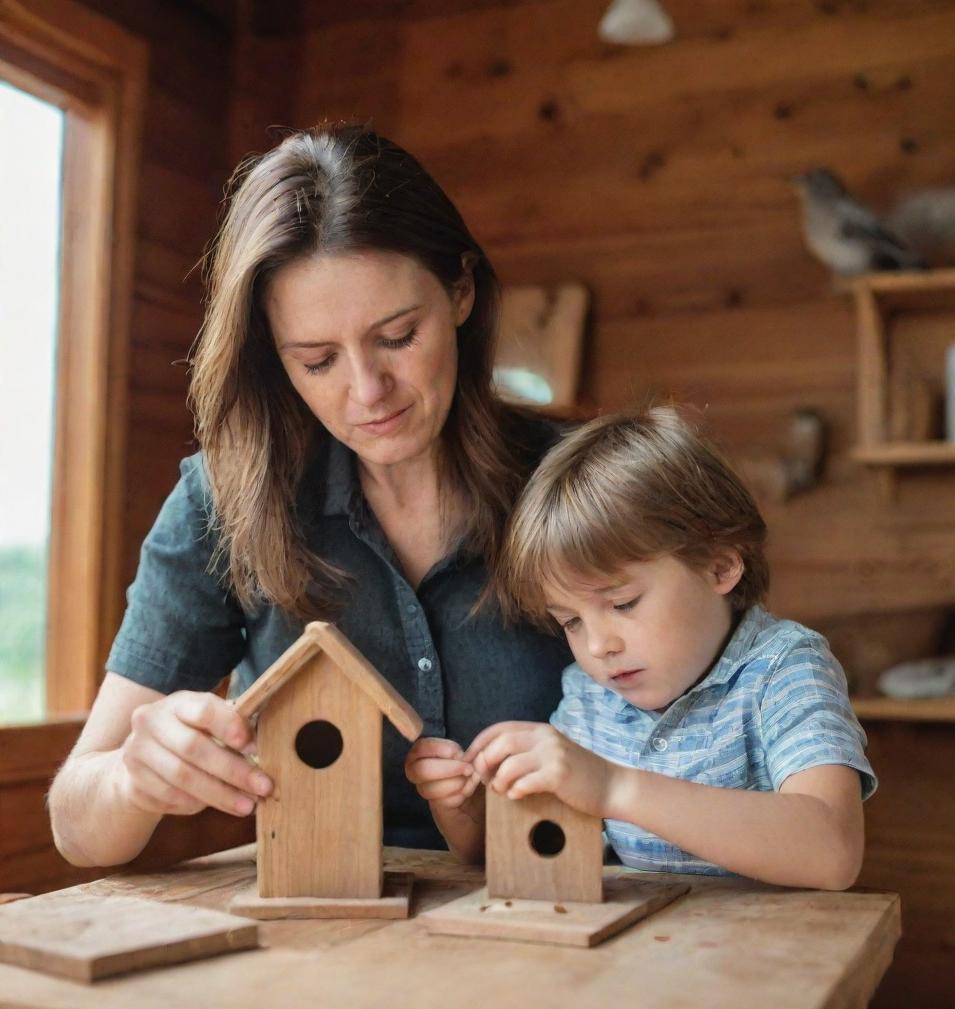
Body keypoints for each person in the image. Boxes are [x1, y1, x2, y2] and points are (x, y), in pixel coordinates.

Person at [47, 123, 570, 867]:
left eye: (397, 336)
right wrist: (136, 775)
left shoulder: (577, 482)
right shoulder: (224, 501)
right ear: (273, 356)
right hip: (317, 928)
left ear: (460, 290)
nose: (367, 391)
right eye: (317, 359)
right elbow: (78, 829)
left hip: (559, 911)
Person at [410, 406, 876, 890]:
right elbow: (524, 852)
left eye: (623, 602)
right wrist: (463, 810)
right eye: (569, 621)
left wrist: (615, 787)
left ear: (719, 566)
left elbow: (832, 852)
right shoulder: (592, 699)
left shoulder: (785, 669)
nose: (597, 646)